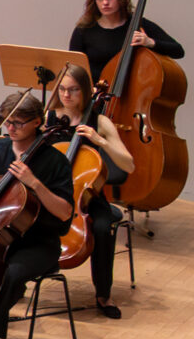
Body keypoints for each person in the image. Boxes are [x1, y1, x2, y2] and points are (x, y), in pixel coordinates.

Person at [0, 88, 76, 339]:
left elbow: (64, 212)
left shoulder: (55, 161)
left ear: (37, 122)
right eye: (7, 121)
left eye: (17, 122)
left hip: (38, 242)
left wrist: (34, 183)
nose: (11, 128)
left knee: (12, 274)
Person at [48, 63, 132, 318]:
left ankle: (103, 294)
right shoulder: (49, 117)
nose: (66, 96)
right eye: (62, 89)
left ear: (85, 91)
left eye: (73, 90)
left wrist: (100, 140)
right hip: (53, 192)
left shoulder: (100, 121)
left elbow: (128, 164)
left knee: (101, 228)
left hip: (89, 197)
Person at [69, 0, 184, 84]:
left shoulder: (138, 25)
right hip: (95, 96)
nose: (105, 2)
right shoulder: (84, 30)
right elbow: (74, 69)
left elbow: (178, 50)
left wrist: (150, 42)